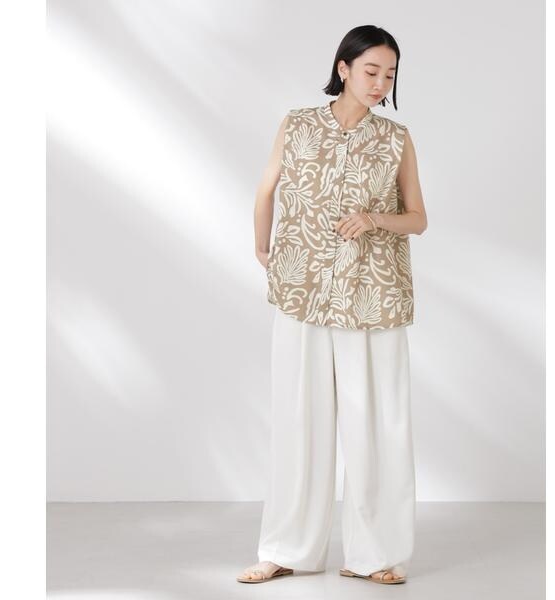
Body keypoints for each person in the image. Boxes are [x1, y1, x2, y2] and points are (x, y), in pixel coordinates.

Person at [238, 24, 427, 585]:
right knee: (299, 421)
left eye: (389, 74)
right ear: (342, 68)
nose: (380, 83)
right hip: (303, 291)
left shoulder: (396, 139)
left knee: (376, 425)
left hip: (373, 295)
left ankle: (377, 554)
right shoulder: (297, 124)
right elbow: (267, 189)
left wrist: (373, 218)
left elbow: (418, 218)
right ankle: (285, 548)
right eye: (371, 71)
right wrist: (263, 247)